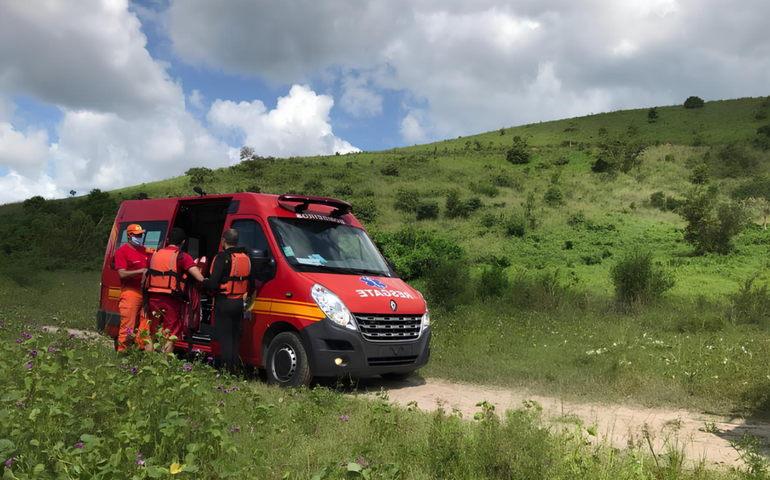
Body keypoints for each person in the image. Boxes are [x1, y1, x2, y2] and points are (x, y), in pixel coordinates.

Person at [140, 227, 204, 353]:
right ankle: (164, 365)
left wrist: (145, 300)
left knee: (152, 332)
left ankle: (148, 363)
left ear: (168, 240)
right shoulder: (183, 257)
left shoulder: (154, 255)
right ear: (183, 242)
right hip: (171, 299)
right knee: (170, 333)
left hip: (153, 298)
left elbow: (144, 277)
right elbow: (200, 278)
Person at [204, 228, 251, 374]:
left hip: (224, 303)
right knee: (234, 338)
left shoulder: (221, 257)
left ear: (223, 241)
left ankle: (226, 372)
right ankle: (235, 370)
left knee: (225, 339)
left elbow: (212, 284)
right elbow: (252, 282)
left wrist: (202, 283)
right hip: (239, 304)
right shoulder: (246, 258)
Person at [113, 224, 151, 351]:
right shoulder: (122, 251)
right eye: (137, 235)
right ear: (129, 235)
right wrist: (141, 271)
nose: (139, 237)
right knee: (127, 327)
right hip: (130, 292)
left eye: (141, 235)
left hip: (145, 293)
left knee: (144, 327)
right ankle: (122, 355)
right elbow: (122, 273)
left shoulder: (143, 250)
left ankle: (138, 355)